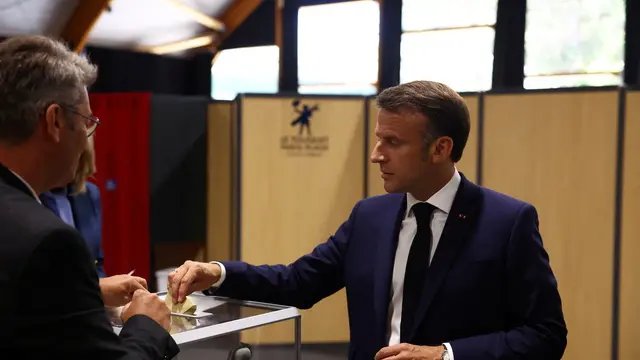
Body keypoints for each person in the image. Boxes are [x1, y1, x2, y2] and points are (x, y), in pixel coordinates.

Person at [169, 81, 568, 360]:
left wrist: (445, 355)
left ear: (440, 149)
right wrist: (218, 273)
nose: (377, 154)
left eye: (392, 143)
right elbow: (297, 282)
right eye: (378, 139)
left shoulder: (508, 222)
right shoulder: (369, 217)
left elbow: (544, 336)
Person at [0, 35, 179, 359]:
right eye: (87, 122)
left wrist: (89, 293)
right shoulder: (50, 242)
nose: (87, 139)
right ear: (54, 121)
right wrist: (146, 325)